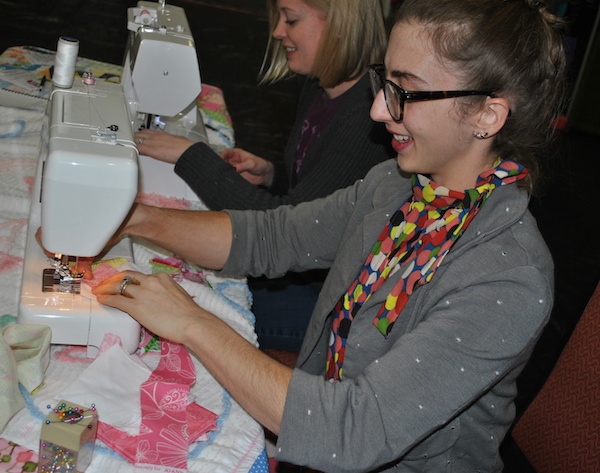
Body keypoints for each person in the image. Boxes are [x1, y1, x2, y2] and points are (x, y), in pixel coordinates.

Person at [92, 0, 566, 470]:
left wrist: (192, 322)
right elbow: (272, 237)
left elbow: (351, 431)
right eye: (386, 82)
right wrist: (133, 218)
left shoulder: (506, 279)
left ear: (487, 116)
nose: (380, 109)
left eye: (407, 92)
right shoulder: (398, 187)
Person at [134, 0, 393, 352]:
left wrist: (189, 156)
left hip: (326, 303)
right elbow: (321, 192)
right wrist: (273, 174)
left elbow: (282, 230)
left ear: (341, 26)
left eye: (291, 19)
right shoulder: (322, 86)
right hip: (305, 270)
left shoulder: (364, 119)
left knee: (173, 311)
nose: (278, 31)